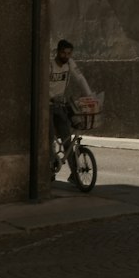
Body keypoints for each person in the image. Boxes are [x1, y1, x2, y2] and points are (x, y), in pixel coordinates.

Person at [49, 39, 93, 183]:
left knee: (67, 139)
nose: (66, 56)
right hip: (47, 105)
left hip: (60, 105)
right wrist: (50, 98)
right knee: (48, 140)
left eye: (68, 53)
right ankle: (48, 170)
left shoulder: (70, 64)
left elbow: (80, 78)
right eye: (63, 53)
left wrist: (90, 96)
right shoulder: (49, 65)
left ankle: (75, 174)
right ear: (57, 52)